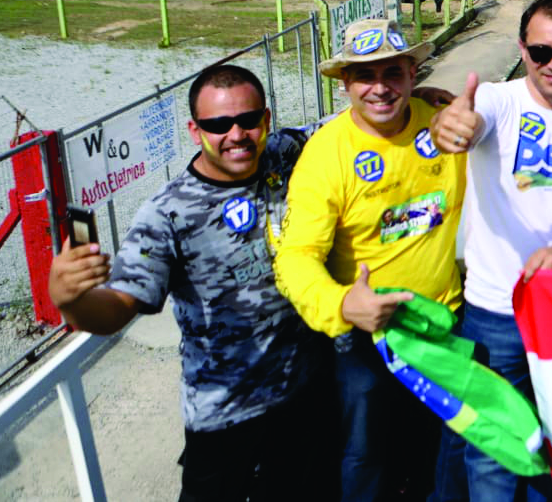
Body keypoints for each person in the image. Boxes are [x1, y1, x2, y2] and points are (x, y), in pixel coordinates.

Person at [47, 64, 336, 502]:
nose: (236, 134)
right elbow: (118, 306)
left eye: (248, 121)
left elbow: (353, 120)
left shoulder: (286, 151)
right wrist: (71, 302)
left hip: (307, 396)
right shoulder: (165, 215)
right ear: (194, 129)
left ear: (267, 120)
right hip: (225, 415)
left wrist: (423, 98)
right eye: (218, 124)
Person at [429, 0, 552, 502]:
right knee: (492, 448)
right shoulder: (497, 99)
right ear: (522, 49)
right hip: (497, 311)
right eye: (541, 52)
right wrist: (449, 124)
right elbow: (461, 120)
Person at [274, 18, 466, 502]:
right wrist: (341, 306)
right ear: (344, 83)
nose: (379, 88)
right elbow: (295, 256)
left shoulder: (443, 121)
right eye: (364, 76)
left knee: (441, 453)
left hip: (442, 325)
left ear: (412, 73)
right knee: (366, 461)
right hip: (364, 340)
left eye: (393, 74)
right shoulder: (325, 155)